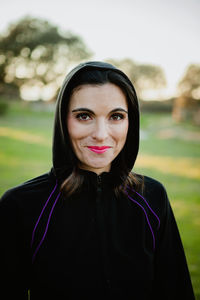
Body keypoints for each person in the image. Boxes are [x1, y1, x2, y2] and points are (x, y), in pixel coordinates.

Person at [0, 61, 195, 300]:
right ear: (63, 121)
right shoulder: (21, 205)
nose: (101, 134)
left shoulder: (153, 197)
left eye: (116, 116)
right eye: (84, 116)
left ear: (130, 122)